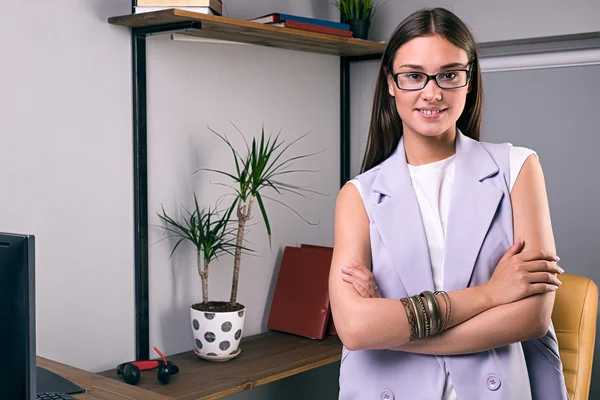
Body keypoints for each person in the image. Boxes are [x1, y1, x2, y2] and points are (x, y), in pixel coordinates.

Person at [328, 7, 569, 400]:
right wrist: (491, 295)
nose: (432, 92)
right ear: (391, 83)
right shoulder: (358, 195)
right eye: (413, 75)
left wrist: (392, 330)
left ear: (469, 80)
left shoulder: (518, 168)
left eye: (449, 74)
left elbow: (532, 317)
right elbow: (355, 329)